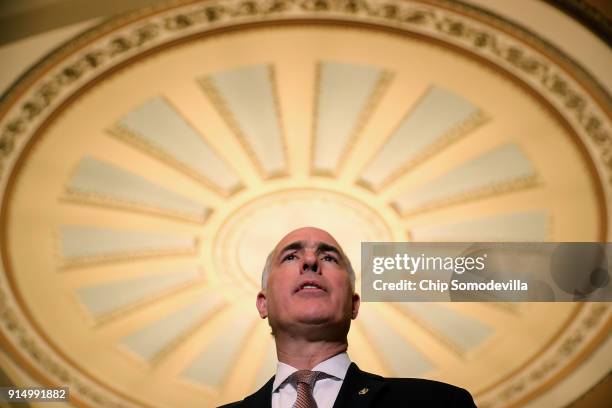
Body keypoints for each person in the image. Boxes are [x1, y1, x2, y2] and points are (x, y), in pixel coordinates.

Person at [220, 227, 476, 407]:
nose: (310, 261)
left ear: (354, 304)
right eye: (291, 256)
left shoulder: (437, 403)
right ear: (263, 304)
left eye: (328, 257)